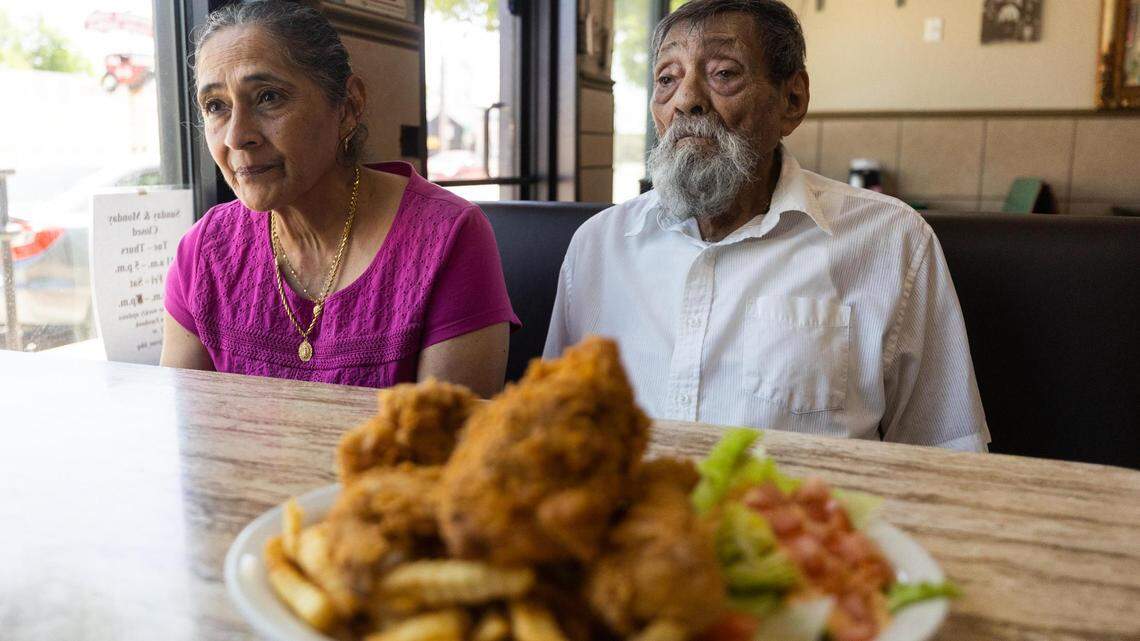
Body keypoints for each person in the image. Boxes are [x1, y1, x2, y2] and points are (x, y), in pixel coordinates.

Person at [544, 0, 990, 450]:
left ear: (791, 100)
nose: (686, 100)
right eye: (667, 78)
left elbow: (947, 450)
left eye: (723, 73)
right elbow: (555, 428)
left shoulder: (889, 241)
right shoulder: (599, 244)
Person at [161, 0, 518, 397]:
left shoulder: (447, 238)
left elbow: (446, 445)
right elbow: (186, 435)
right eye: (216, 107)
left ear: (348, 107)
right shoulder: (204, 252)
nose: (236, 136)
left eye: (268, 97)